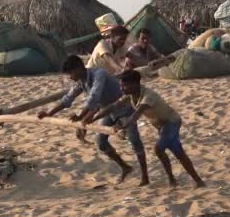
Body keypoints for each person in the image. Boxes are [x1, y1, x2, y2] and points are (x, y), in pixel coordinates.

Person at [38, 55, 149, 185]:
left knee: (134, 140)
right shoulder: (81, 82)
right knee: (101, 143)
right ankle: (125, 167)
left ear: (79, 68)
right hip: (107, 111)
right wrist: (49, 113)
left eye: (70, 73)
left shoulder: (99, 74)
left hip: (125, 108)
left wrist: (82, 117)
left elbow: (94, 97)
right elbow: (68, 99)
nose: (70, 77)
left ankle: (145, 176)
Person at [93, 70, 206, 188]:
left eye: (124, 86)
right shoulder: (130, 95)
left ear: (135, 84)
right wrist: (93, 118)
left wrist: (122, 127)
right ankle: (193, 181)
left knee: (159, 149)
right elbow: (112, 106)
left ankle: (174, 180)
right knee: (177, 152)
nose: (121, 89)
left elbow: (135, 115)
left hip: (171, 123)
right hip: (162, 126)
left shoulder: (148, 96)